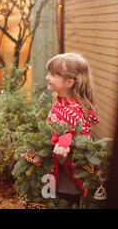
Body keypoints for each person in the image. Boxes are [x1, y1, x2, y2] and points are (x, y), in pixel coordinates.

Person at [45, 53, 99, 206]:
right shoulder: (61, 101)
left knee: (66, 202)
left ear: (69, 82)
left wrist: (63, 143)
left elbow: (76, 133)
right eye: (49, 73)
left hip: (68, 177)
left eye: (53, 74)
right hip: (56, 169)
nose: (47, 77)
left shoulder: (73, 111)